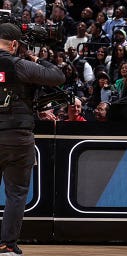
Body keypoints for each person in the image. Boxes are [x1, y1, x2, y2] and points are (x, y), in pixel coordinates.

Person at [0, 23, 65, 254]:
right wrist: (37, 59)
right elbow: (58, 76)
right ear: (15, 44)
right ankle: (7, 245)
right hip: (17, 136)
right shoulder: (20, 64)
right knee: (16, 193)